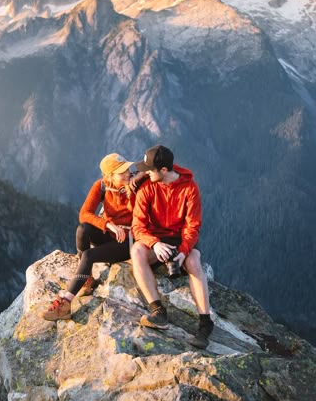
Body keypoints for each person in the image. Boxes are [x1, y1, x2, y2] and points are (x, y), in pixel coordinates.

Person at [42, 153, 145, 321]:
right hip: (110, 233)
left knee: (89, 255)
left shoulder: (137, 182)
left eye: (127, 169)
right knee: (83, 229)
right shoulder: (102, 186)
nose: (127, 173)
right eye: (121, 172)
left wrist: (141, 174)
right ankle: (87, 279)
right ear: (109, 176)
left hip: (129, 241)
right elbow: (84, 214)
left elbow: (158, 167)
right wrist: (108, 225)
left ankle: (66, 303)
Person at [130, 145, 214, 349]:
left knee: (193, 259)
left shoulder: (189, 188)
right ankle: (157, 310)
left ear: (164, 170)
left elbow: (193, 226)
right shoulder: (147, 187)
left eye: (149, 169)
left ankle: (205, 323)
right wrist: (154, 243)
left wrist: (183, 252)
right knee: (137, 251)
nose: (145, 172)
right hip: (156, 240)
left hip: (180, 239)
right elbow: (137, 226)